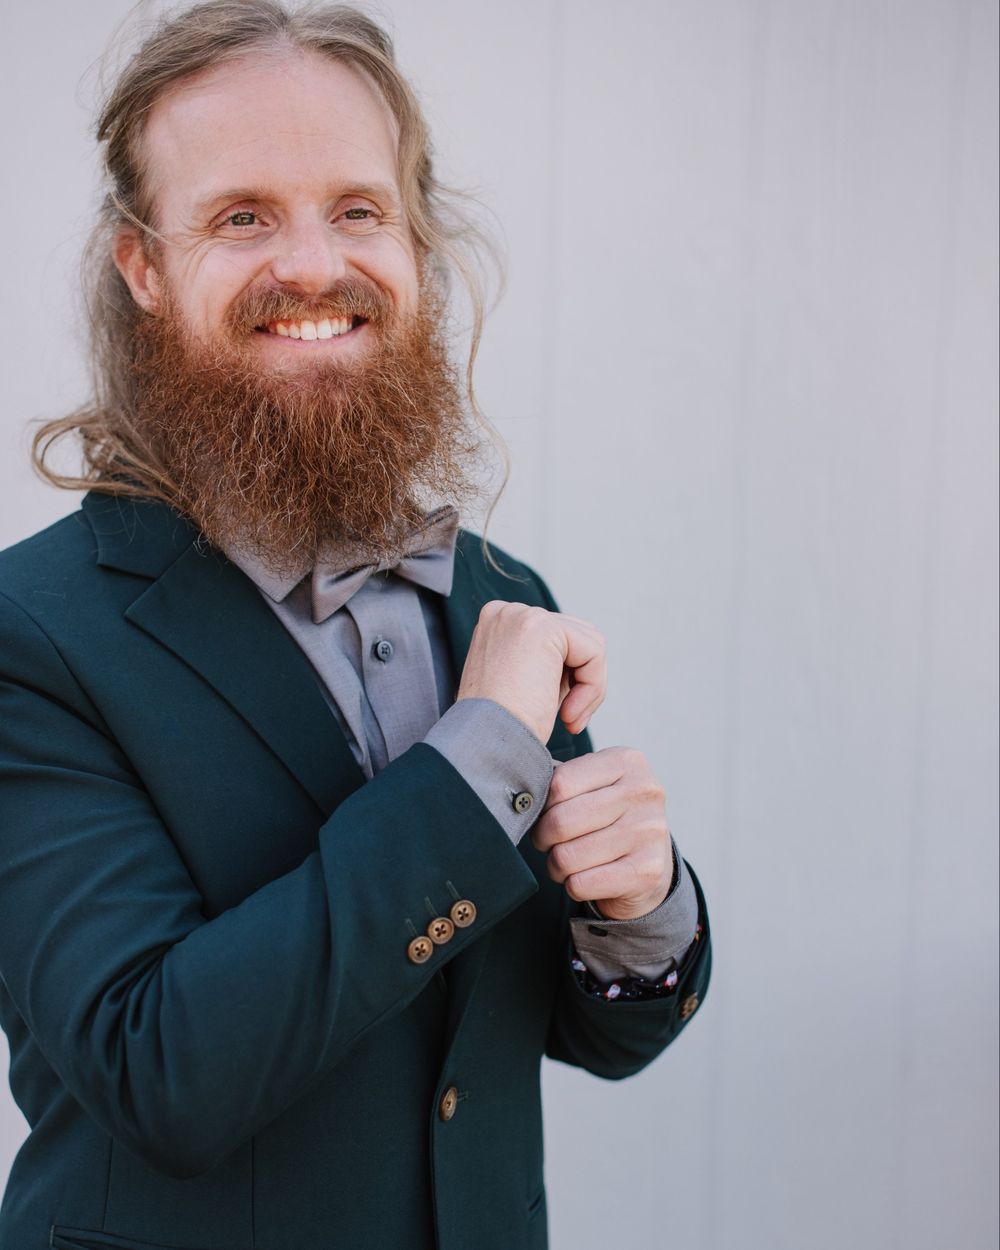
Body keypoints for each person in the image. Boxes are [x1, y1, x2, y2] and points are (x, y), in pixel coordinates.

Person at [0, 3, 711, 1247]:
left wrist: (638, 905)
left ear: (416, 245)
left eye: (358, 208)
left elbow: (585, 1032)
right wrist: (479, 753)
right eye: (241, 216)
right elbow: (155, 1068)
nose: (315, 265)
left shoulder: (499, 592)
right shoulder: (30, 631)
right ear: (144, 269)